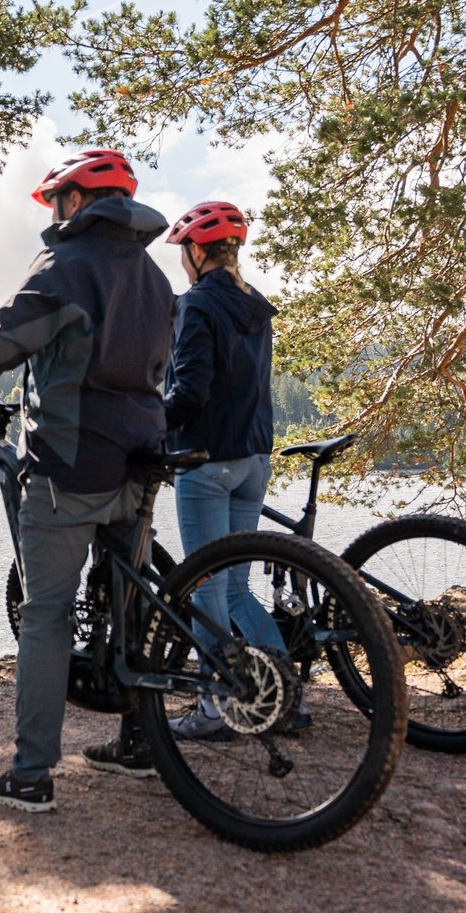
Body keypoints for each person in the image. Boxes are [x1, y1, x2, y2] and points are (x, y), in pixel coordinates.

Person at [0, 148, 174, 813]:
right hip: (140, 461)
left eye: (57, 202)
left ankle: (31, 774)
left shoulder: (66, 266)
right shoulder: (154, 277)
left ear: (75, 200)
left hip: (71, 464)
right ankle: (140, 743)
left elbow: (4, 336)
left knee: (46, 614)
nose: (53, 215)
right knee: (128, 603)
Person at [160, 200, 305, 738]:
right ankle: (285, 700)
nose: (182, 262)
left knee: (207, 589)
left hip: (207, 462)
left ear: (198, 251)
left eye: (183, 252)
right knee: (237, 588)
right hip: (254, 459)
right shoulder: (256, 305)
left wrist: (149, 424)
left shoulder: (196, 305)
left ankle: (213, 709)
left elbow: (190, 391)